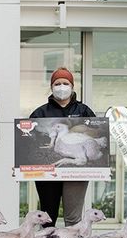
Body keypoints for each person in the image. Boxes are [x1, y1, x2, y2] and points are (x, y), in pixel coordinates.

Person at [29, 67, 96, 227]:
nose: (61, 87)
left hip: (76, 173)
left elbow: (94, 135)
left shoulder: (84, 111)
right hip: (47, 172)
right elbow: (29, 143)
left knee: (73, 218)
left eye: (65, 83)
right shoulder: (40, 113)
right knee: (47, 216)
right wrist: (21, 167)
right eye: (57, 83)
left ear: (72, 86)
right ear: (52, 87)